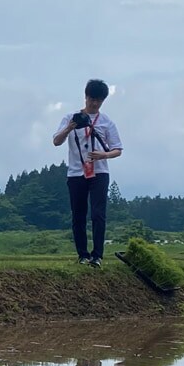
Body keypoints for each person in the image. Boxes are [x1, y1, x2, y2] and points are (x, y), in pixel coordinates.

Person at [51, 78, 123, 266]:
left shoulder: (107, 122)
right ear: (86, 97)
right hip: (76, 173)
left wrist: (103, 155)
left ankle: (97, 256)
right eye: (92, 99)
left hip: (99, 172)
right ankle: (82, 255)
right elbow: (56, 141)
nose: (95, 103)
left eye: (99, 100)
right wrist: (70, 127)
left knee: (98, 214)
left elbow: (118, 149)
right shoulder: (70, 117)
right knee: (78, 214)